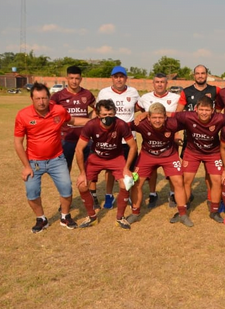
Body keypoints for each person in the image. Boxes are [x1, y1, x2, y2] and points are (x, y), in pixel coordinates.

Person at [14, 83, 89, 233]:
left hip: (57, 159)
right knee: (32, 192)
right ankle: (41, 219)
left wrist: (93, 121)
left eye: (44, 98)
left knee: (66, 189)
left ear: (49, 98)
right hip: (34, 162)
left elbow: (72, 120)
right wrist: (26, 166)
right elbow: (18, 142)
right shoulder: (23, 115)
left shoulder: (58, 110)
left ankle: (65, 216)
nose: (41, 102)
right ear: (31, 98)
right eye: (37, 98)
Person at [75, 99, 138, 229]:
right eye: (104, 115)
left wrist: (126, 168)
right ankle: (91, 217)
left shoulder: (121, 124)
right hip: (96, 157)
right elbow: (79, 149)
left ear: (115, 112)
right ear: (98, 114)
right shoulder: (91, 125)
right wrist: (82, 173)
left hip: (116, 157)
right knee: (82, 185)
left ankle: (120, 218)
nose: (107, 118)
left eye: (110, 114)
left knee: (125, 184)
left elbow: (133, 146)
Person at [129, 103, 189, 226]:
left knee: (178, 181)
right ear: (149, 118)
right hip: (147, 155)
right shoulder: (140, 123)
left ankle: (183, 214)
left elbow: (190, 119)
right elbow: (121, 127)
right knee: (136, 182)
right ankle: (135, 213)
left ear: (165, 117)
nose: (157, 120)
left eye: (160, 117)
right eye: (154, 117)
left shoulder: (173, 123)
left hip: (169, 155)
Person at [176, 96, 225, 224]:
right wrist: (145, 114)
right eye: (201, 109)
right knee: (186, 180)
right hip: (192, 152)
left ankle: (214, 211)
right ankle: (182, 211)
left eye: (207, 110)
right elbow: (168, 116)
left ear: (213, 111)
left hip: (212, 152)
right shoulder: (187, 116)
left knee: (217, 180)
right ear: (196, 109)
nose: (204, 113)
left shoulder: (220, 118)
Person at [97, 66, 140, 209]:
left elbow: (139, 108)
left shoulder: (133, 92)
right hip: (110, 138)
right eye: (116, 76)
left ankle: (126, 194)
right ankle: (109, 196)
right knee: (110, 169)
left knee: (130, 168)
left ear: (126, 78)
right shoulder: (104, 92)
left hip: (129, 138)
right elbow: (99, 113)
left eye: (121, 76)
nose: (119, 79)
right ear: (112, 78)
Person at [135, 73, 180, 209]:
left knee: (172, 170)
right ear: (153, 84)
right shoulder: (145, 98)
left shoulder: (175, 98)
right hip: (151, 139)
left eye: (162, 82)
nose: (160, 84)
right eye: (157, 82)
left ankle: (172, 193)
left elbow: (179, 117)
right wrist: (143, 114)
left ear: (167, 84)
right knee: (152, 168)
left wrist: (176, 133)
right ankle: (153, 193)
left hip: (169, 139)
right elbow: (134, 110)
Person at [50, 65, 96, 171]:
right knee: (65, 169)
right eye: (71, 78)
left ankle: (86, 187)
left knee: (88, 168)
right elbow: (50, 112)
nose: (74, 81)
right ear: (67, 78)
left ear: (81, 79)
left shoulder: (87, 94)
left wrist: (89, 120)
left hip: (84, 138)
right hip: (65, 138)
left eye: (77, 78)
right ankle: (66, 187)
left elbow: (97, 109)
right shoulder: (58, 96)